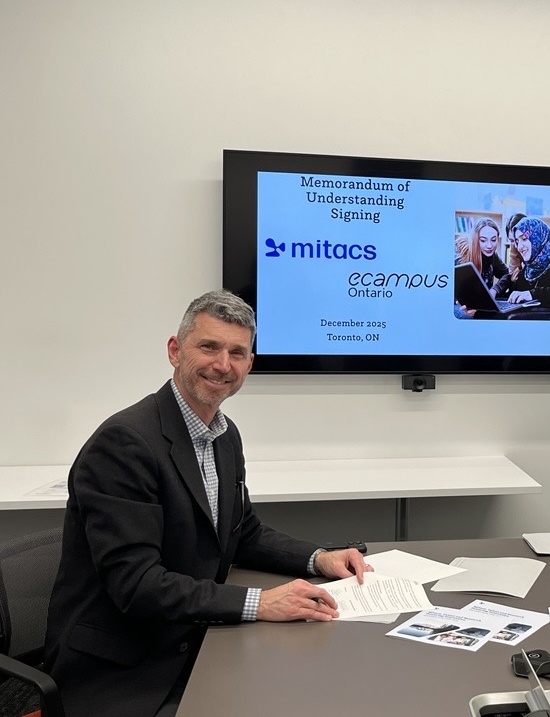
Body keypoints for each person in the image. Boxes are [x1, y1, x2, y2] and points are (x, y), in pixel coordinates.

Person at [44, 290, 372, 717]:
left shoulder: (223, 433)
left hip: (195, 639)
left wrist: (319, 558)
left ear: (249, 365)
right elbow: (137, 585)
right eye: (209, 346)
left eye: (237, 352)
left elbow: (244, 531)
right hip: (125, 669)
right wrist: (261, 602)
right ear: (175, 351)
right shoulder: (124, 443)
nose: (223, 364)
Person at [506, 216, 550, 309]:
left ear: (538, 237)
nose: (519, 247)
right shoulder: (528, 269)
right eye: (517, 241)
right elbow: (513, 295)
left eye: (524, 238)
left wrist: (534, 294)